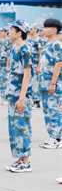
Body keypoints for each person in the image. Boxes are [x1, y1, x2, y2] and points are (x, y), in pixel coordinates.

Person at [5, 19, 33, 173]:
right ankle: (19, 159)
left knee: (22, 127)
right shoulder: (15, 48)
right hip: (12, 95)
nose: (9, 32)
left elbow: (27, 75)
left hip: (20, 96)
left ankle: (26, 161)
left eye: (11, 29)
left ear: (19, 32)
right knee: (15, 128)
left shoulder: (25, 49)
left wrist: (22, 97)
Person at [38, 18, 61, 149]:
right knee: (47, 111)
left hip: (54, 85)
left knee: (55, 111)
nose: (44, 30)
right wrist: (41, 84)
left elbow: (58, 64)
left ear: (54, 30)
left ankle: (58, 138)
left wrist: (53, 83)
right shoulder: (47, 44)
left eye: (47, 27)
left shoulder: (57, 44)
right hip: (45, 84)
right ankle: (52, 136)